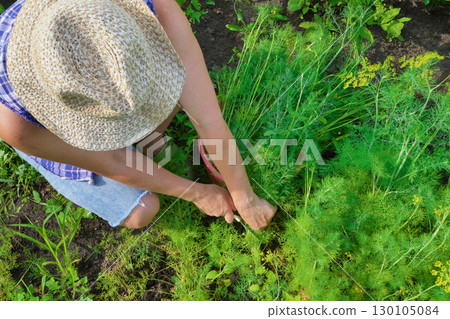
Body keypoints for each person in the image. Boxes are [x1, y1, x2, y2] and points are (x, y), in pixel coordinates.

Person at [0, 0, 276, 230]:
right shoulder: (14, 121)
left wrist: (245, 197)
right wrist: (199, 193)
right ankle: (137, 151)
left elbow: (210, 121)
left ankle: (144, 144)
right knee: (142, 210)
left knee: (172, 97)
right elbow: (115, 162)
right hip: (46, 135)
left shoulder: (150, 9)